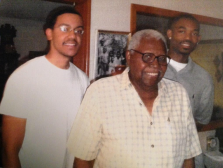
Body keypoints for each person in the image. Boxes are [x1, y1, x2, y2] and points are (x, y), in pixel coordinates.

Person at [67, 29, 201, 168]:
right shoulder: (100, 93)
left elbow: (188, 157)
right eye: (147, 56)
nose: (155, 65)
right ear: (129, 57)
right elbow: (83, 159)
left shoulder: (179, 95)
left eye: (161, 58)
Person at [0, 6, 89, 168]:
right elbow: (9, 150)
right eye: (65, 29)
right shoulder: (24, 77)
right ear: (49, 33)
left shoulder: (82, 79)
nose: (73, 36)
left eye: (78, 31)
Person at [165, 14, 214, 168]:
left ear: (198, 38)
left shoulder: (203, 78)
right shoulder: (152, 70)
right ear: (169, 34)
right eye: (182, 31)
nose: (188, 38)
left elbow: (201, 120)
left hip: (187, 156)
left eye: (194, 33)